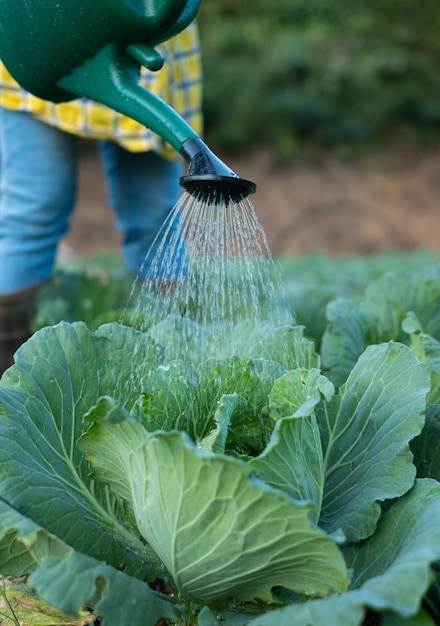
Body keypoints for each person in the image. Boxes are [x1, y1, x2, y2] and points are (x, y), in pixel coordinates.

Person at [0, 22, 203, 374]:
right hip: (40, 36)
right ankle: (9, 373)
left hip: (143, 34)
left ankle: (174, 371)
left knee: (156, 218)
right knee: (32, 210)